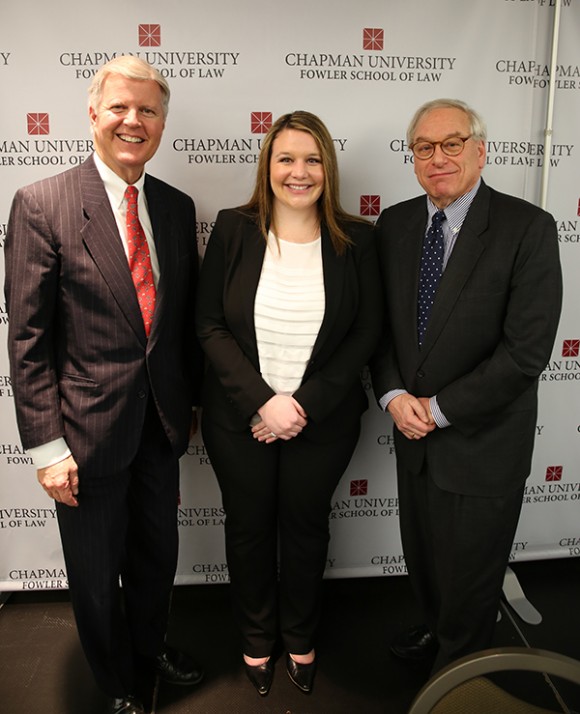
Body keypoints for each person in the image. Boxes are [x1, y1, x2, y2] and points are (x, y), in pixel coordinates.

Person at [4, 56, 204, 714]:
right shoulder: (42, 205)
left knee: (156, 556)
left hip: (160, 427)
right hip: (84, 437)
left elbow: (178, 328)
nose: (133, 120)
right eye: (119, 107)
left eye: (147, 110)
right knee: (94, 575)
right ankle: (117, 681)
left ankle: (150, 649)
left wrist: (191, 405)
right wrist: (46, 447)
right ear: (93, 114)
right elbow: (29, 338)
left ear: (163, 123)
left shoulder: (175, 208)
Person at [370, 98, 562, 674]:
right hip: (413, 438)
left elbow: (525, 353)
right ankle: (441, 632)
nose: (438, 158)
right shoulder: (396, 224)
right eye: (424, 148)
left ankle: (460, 677)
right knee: (426, 563)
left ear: (481, 150)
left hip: (483, 445)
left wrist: (439, 408)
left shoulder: (528, 228)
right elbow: (378, 329)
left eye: (452, 143)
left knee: (473, 578)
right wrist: (392, 395)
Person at [196, 110, 382, 696]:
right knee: (248, 529)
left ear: (327, 166)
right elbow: (207, 326)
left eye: (312, 159)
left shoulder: (358, 239)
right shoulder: (233, 228)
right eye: (286, 159)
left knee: (305, 528)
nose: (298, 172)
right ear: (267, 166)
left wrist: (297, 407)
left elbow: (366, 334)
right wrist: (261, 403)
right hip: (238, 420)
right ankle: (256, 639)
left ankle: (300, 636)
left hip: (321, 422)